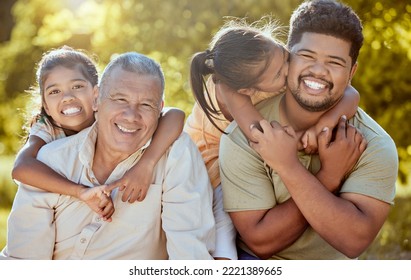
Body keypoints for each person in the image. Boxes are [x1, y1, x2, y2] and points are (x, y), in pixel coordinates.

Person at [219, 0, 398, 259]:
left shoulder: (373, 144)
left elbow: (354, 240)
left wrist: (288, 167)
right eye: (307, 56)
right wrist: (329, 176)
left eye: (335, 62)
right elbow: (260, 243)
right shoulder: (244, 135)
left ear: (352, 73)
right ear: (287, 56)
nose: (318, 70)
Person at [1, 52, 215, 260]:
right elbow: (24, 260)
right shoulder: (49, 154)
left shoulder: (174, 153)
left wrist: (146, 163)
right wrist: (80, 191)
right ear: (97, 99)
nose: (131, 115)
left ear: (158, 109)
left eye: (146, 104)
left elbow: (189, 255)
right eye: (120, 99)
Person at [185, 17, 361, 259]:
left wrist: (324, 124)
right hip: (210, 158)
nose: (289, 70)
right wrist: (299, 141)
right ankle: (223, 259)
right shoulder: (230, 89)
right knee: (224, 224)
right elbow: (263, 138)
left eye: (285, 56)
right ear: (247, 90)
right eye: (280, 74)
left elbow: (351, 93)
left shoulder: (269, 60)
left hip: (240, 155)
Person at [11, 46, 185, 222]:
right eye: (55, 91)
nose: (67, 97)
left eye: (77, 86)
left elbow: (175, 115)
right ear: (46, 105)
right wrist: (80, 191)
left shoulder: (107, 113)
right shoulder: (47, 126)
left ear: (97, 94)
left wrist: (146, 164)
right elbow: (21, 168)